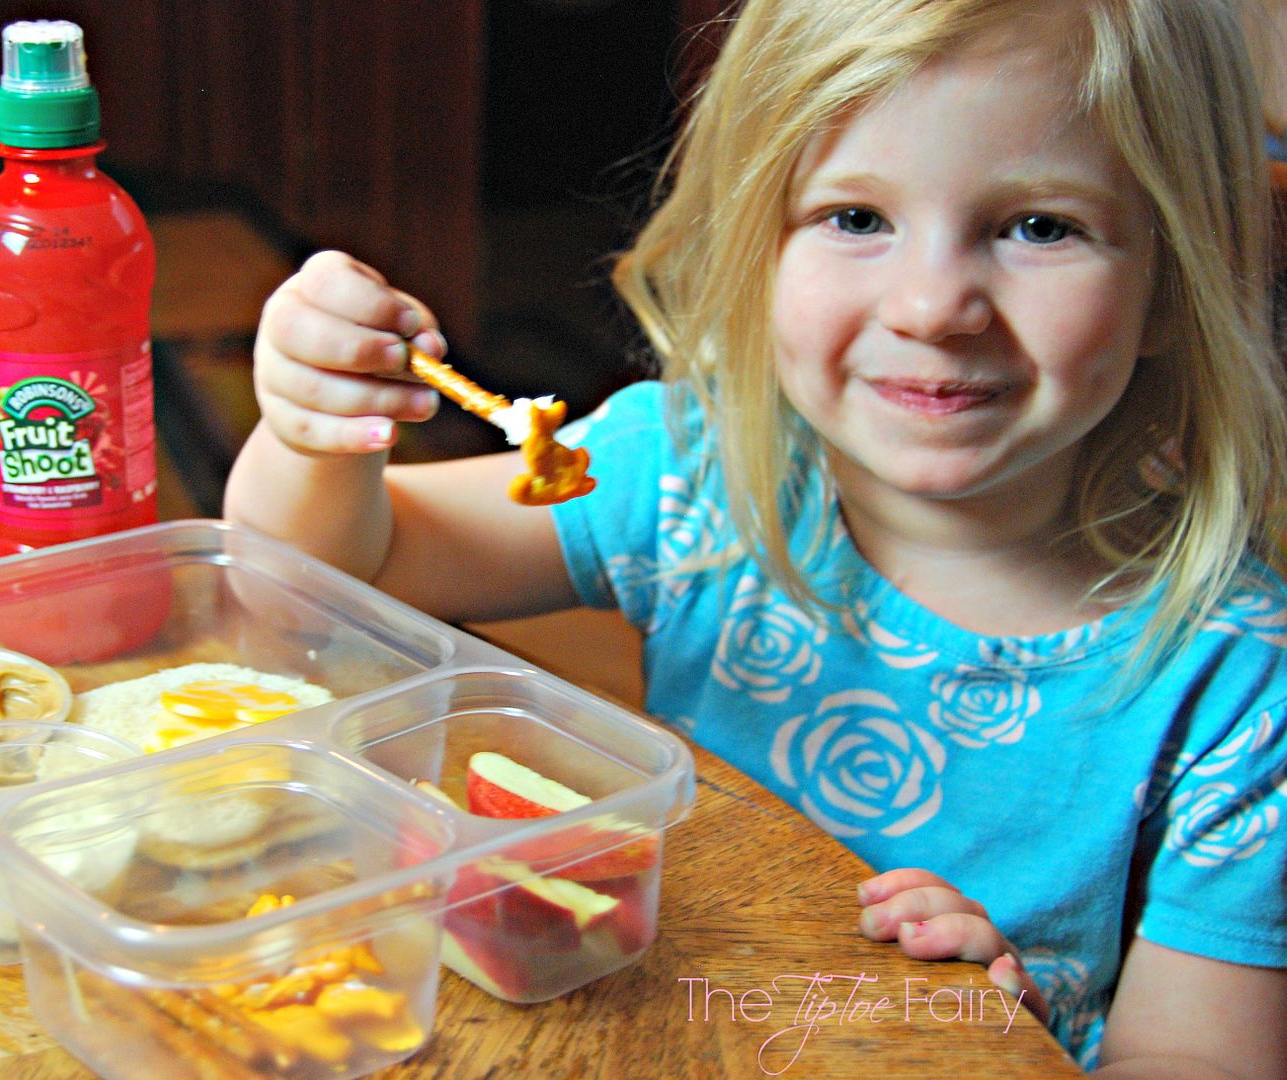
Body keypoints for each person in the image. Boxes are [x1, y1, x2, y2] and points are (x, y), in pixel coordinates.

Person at [225, 0, 1287, 1073]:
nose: (932, 306)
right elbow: (303, 585)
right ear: (758, 244)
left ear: (1171, 282)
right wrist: (319, 435)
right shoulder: (697, 478)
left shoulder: (1243, 693)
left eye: (1041, 227)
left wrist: (996, 1040)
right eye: (857, 218)